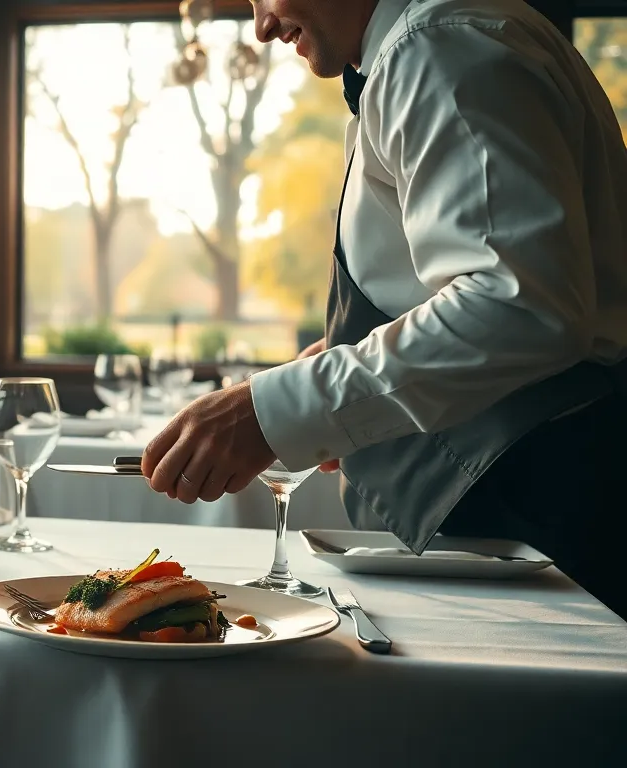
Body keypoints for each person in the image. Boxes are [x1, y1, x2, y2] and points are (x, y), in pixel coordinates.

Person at [140, 0, 627, 617]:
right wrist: (335, 360)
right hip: (531, 490)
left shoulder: (437, 46)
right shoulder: (446, 39)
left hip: (537, 496)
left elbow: (519, 306)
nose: (262, 26)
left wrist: (275, 410)